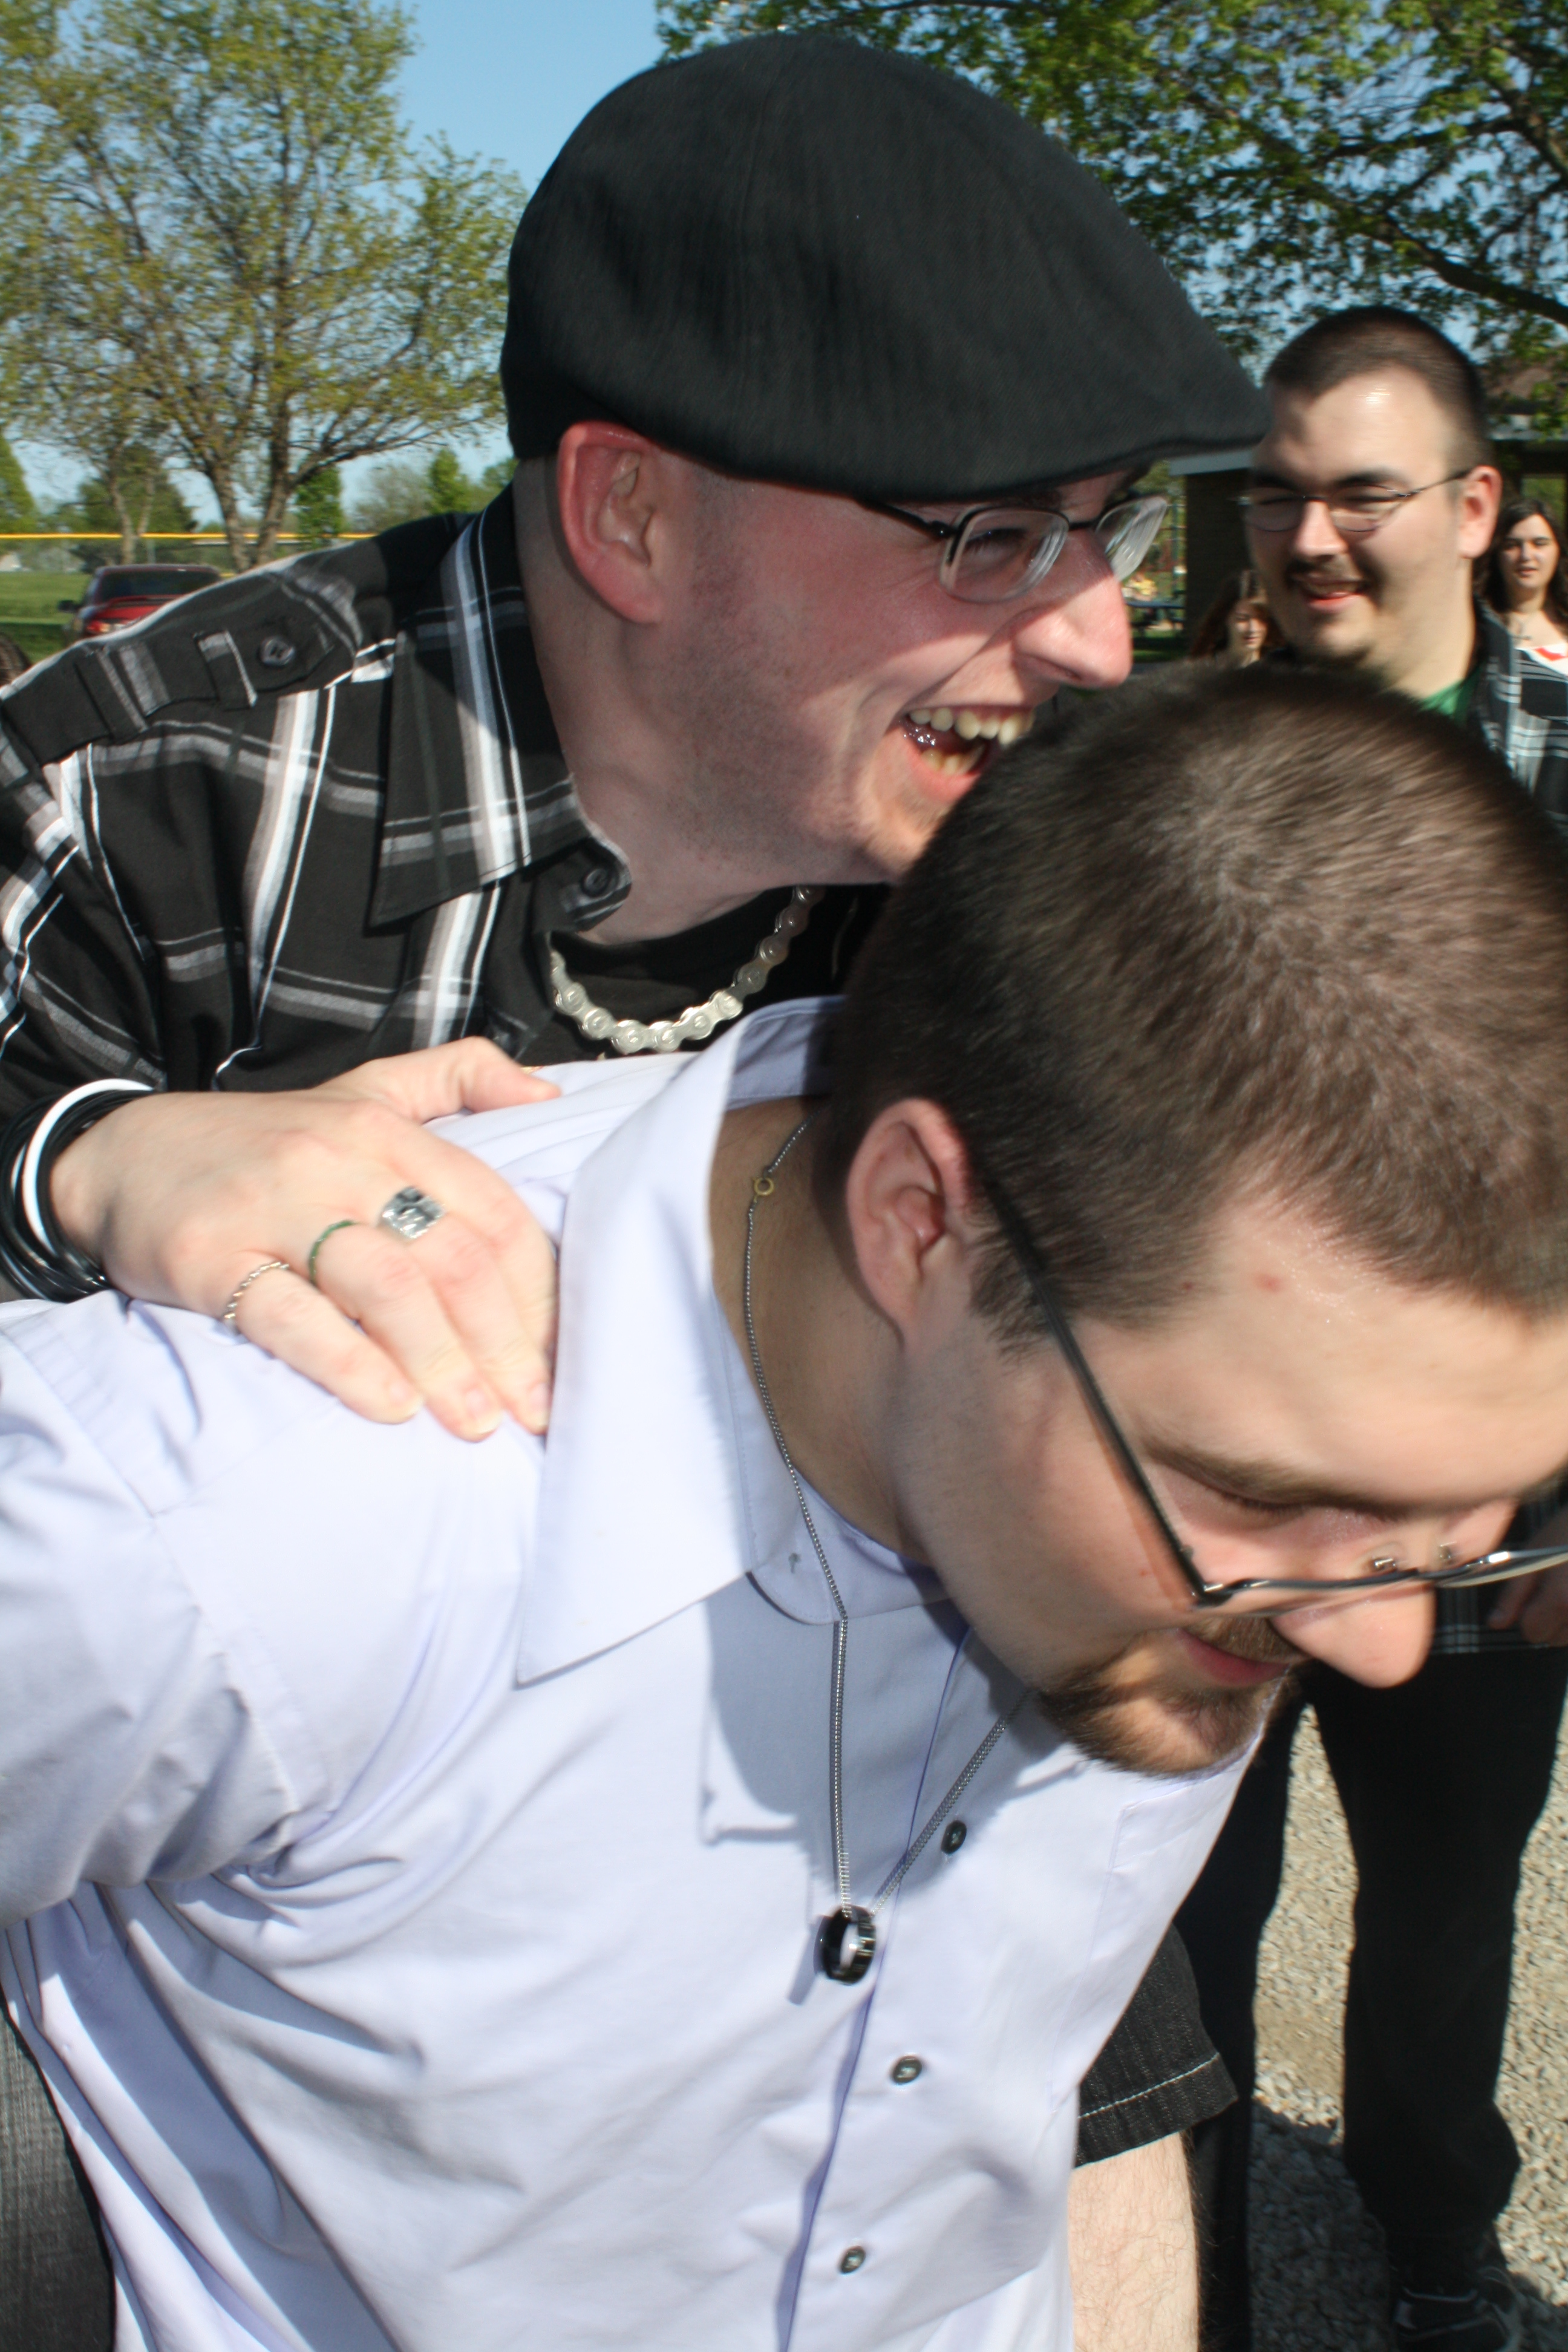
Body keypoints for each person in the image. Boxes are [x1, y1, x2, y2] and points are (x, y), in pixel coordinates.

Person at [0, 34, 1268, 2347]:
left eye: (1108, 527)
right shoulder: (141, 798)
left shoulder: (1022, 850)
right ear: (633, 517)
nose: (1092, 632)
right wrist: (77, 1154)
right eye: (988, 534)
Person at [10, 668, 1568, 2351]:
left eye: (1472, 1520)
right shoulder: (256, 1522)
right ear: (919, 1222)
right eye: (1263, 1501)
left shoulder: (1200, 1429)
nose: (1385, 1643)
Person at [1178, 304, 1568, 2352]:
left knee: (1443, 1909)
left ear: (1477, 506)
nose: (1309, 535)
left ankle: (1434, 2244)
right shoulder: (1178, 780)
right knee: (1178, 1917)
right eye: (1275, 494)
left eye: (1360, 493)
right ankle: (1189, 2275)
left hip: (1501, 1509)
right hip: (1212, 1493)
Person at [1484, 497, 1568, 671]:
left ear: (1558, 551)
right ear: (1497, 554)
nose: (1526, 556)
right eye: (1512, 545)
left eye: (1539, 544)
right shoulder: (1476, 625)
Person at [1187, 569, 1279, 664]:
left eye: (1261, 619)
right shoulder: (1204, 669)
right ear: (1225, 617)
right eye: (1242, 619)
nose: (1252, 629)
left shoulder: (1279, 670)